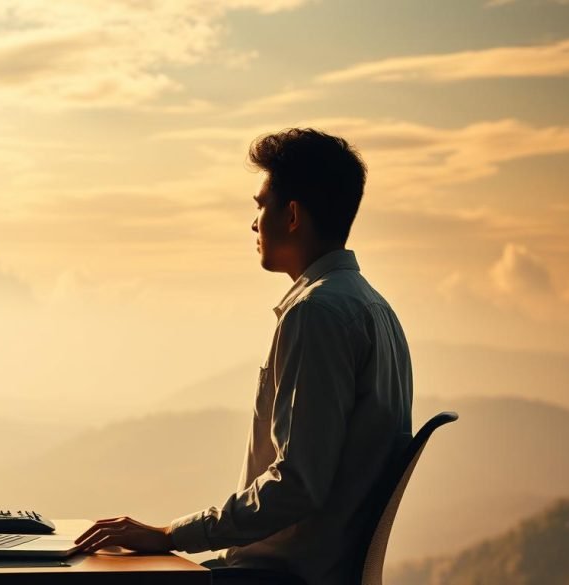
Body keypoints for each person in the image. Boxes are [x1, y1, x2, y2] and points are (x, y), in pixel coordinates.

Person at [74, 128, 414, 585]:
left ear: (291, 215)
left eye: (260, 206)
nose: (254, 224)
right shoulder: (374, 308)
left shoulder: (316, 314)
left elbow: (297, 485)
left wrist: (171, 534)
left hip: (280, 576)